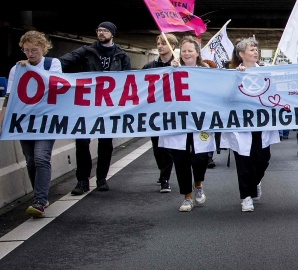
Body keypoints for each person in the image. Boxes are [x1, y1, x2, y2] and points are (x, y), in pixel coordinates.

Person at [59, 21, 131, 194]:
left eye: (105, 30)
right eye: (99, 30)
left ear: (112, 33)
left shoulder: (121, 56)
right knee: (82, 142)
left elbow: (131, 81)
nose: (101, 33)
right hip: (87, 104)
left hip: (109, 106)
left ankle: (101, 179)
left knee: (106, 143)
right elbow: (61, 63)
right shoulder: (86, 51)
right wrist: (38, 66)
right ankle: (82, 181)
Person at [6, 31, 61, 217]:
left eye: (34, 50)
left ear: (43, 48)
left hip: (46, 120)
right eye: (27, 50)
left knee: (41, 157)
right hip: (25, 121)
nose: (30, 54)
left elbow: (54, 85)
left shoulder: (52, 64)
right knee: (30, 160)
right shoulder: (16, 69)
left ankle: (39, 201)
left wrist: (29, 69)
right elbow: (10, 95)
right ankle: (41, 196)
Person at [222, 38, 279, 212]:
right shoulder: (232, 73)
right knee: (244, 160)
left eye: (256, 49)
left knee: (262, 159)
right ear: (241, 54)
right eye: (251, 49)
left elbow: (275, 93)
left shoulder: (266, 72)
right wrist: (237, 78)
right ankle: (246, 197)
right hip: (242, 124)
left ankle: (254, 183)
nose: (255, 52)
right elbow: (227, 97)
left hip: (261, 123)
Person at [159, 37, 213, 212]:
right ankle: (187, 197)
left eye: (190, 50)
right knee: (180, 160)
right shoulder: (172, 71)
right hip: (179, 123)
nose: (187, 54)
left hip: (200, 123)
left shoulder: (207, 72)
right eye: (183, 51)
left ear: (197, 53)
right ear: (179, 54)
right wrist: (170, 71)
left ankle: (198, 184)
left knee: (200, 159)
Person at [144, 33, 178, 193]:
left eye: (163, 43)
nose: (159, 46)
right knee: (157, 146)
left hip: (171, 113)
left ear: (172, 46)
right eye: (158, 43)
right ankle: (162, 171)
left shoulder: (178, 67)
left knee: (167, 147)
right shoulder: (149, 67)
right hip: (154, 113)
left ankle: (165, 178)